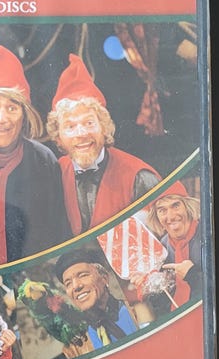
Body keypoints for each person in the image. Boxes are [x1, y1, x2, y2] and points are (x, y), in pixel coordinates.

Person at [0, 41, 70, 269]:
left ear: (24, 114)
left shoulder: (43, 161)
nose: (2, 119)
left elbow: (57, 235)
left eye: (12, 108)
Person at [46, 54, 161, 236]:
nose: (81, 134)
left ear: (104, 127)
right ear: (58, 137)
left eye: (89, 123)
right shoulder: (54, 174)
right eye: (70, 126)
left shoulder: (139, 178)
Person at [19, 249, 137, 359]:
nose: (75, 286)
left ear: (104, 278)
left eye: (83, 275)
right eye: (68, 283)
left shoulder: (137, 310)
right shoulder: (74, 349)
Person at [143, 180, 202, 307]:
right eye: (162, 210)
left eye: (175, 206)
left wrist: (192, 274)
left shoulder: (207, 232)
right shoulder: (162, 248)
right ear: (156, 217)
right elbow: (163, 302)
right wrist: (150, 286)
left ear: (187, 206)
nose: (170, 217)